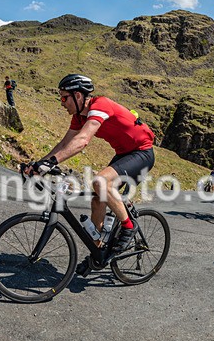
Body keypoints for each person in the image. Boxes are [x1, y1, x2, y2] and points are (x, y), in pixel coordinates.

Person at [25, 74, 155, 256]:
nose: (62, 103)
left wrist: (51, 162)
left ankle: (129, 226)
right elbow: (64, 144)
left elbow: (83, 139)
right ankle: (98, 251)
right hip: (124, 154)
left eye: (64, 97)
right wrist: (40, 164)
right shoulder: (79, 117)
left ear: (78, 96)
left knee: (100, 182)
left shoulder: (100, 105)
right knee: (97, 199)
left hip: (142, 153)